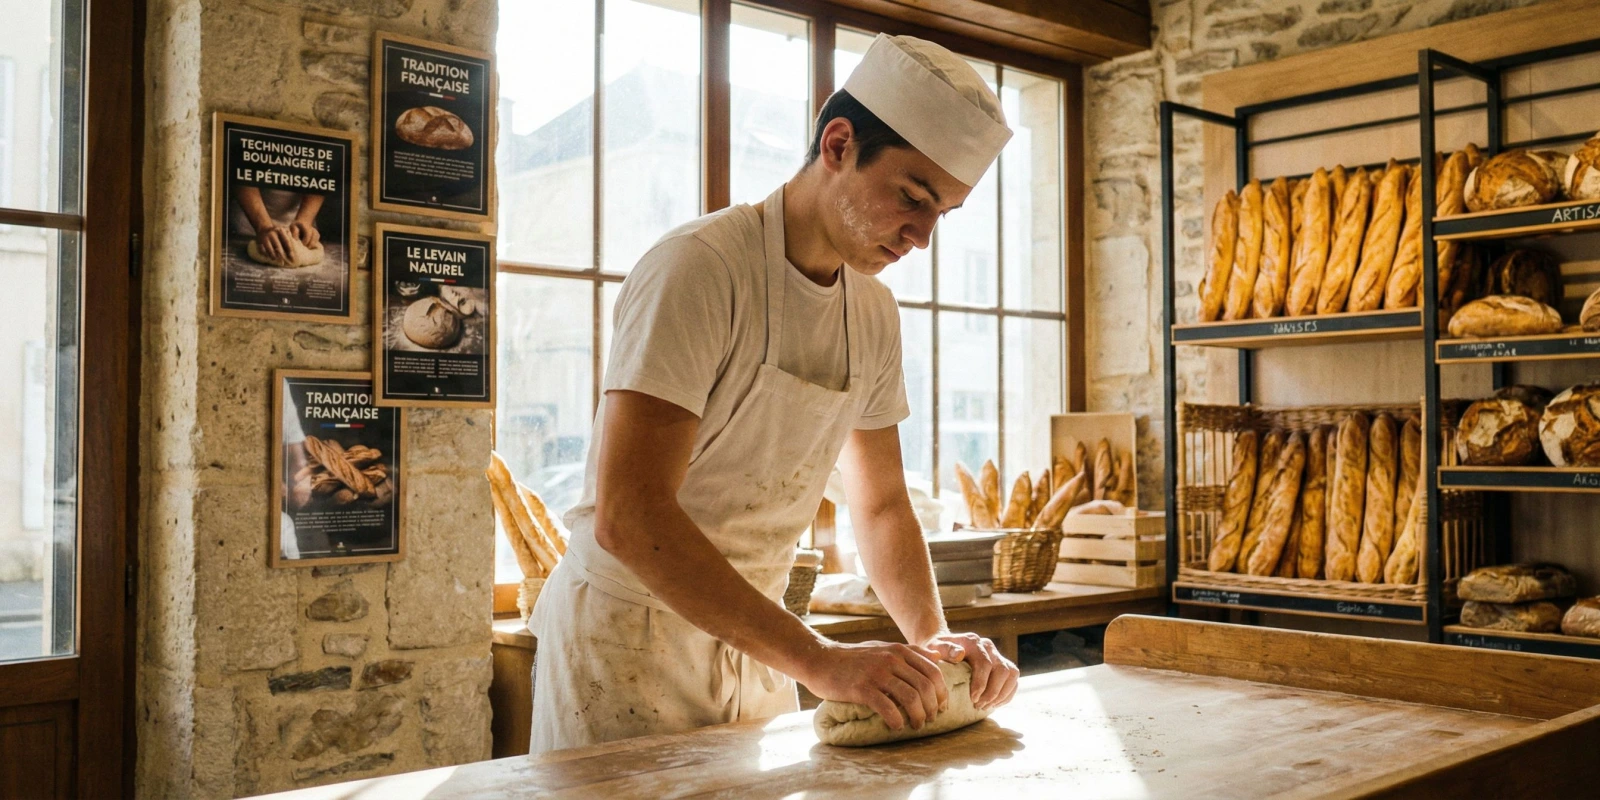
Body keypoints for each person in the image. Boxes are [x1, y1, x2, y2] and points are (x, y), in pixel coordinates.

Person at [529, 33, 1020, 754]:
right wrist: (821, 661)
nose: (921, 237)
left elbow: (880, 506)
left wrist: (935, 640)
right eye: (911, 198)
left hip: (762, 642)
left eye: (941, 212)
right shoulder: (698, 271)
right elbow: (628, 516)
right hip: (627, 644)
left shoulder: (873, 314)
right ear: (838, 144)